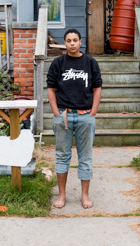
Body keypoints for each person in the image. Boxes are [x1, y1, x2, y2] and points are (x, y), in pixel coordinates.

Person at [46, 29, 102, 209]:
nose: (72, 43)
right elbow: (51, 89)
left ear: (80, 42)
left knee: (85, 157)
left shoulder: (90, 63)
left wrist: (92, 113)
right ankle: (62, 195)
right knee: (62, 156)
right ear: (65, 43)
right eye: (68, 40)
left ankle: (84, 195)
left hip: (85, 116)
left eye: (75, 40)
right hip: (63, 116)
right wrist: (56, 113)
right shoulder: (58, 63)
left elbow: (97, 88)